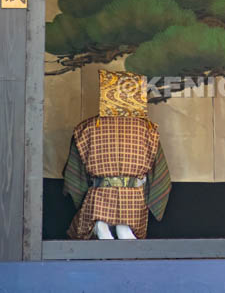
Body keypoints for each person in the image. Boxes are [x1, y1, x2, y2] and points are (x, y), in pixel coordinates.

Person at [63, 70, 172, 239]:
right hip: (133, 198)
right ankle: (121, 226)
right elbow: (159, 174)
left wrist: (80, 196)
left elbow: (75, 174)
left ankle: (101, 225)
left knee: (98, 235)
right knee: (128, 241)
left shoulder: (86, 128)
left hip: (98, 196)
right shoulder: (148, 130)